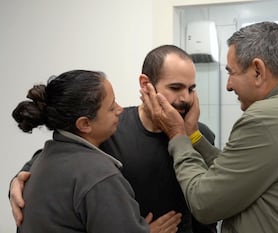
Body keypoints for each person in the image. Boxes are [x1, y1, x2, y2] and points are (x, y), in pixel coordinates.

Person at [142, 21, 278, 233]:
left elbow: (203, 204)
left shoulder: (266, 119)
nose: (228, 85)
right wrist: (194, 137)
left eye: (231, 72)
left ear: (258, 70)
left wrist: (178, 136)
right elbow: (242, 172)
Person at [9, 45, 217, 233]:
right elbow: (61, 156)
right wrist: (18, 180)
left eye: (191, 89)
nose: (186, 98)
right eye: (175, 88)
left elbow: (208, 209)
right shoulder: (108, 130)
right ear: (146, 84)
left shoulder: (200, 136)